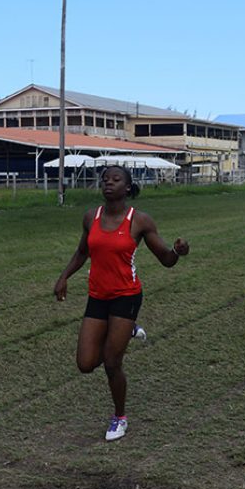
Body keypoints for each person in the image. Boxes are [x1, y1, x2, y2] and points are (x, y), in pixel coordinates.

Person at [54, 165, 189, 441]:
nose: (109, 183)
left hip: (126, 296)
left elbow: (165, 259)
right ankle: (124, 330)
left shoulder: (139, 221)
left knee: (112, 362)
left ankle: (119, 417)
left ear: (127, 187)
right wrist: (64, 276)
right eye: (105, 179)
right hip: (98, 297)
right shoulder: (91, 217)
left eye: (116, 180)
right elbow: (82, 252)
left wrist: (177, 251)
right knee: (85, 362)